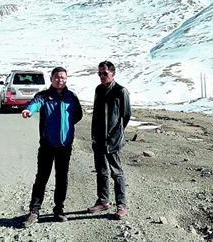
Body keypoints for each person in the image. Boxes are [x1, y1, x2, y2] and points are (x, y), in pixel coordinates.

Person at [20, 67, 83, 228]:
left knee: (62, 178)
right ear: (51, 78)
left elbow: (78, 115)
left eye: (62, 77)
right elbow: (35, 104)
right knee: (42, 177)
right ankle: (34, 211)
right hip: (47, 145)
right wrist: (29, 110)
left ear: (66, 79)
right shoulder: (44, 96)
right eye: (56, 77)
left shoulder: (71, 97)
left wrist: (66, 129)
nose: (59, 80)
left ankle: (59, 210)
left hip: (65, 146)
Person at [87, 60, 131, 219]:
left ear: (113, 73)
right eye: (99, 73)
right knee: (101, 170)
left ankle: (121, 205)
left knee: (116, 172)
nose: (101, 76)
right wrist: (94, 135)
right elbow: (97, 114)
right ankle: (103, 201)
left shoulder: (121, 91)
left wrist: (117, 133)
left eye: (104, 73)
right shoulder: (98, 89)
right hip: (98, 138)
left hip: (113, 139)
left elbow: (126, 116)